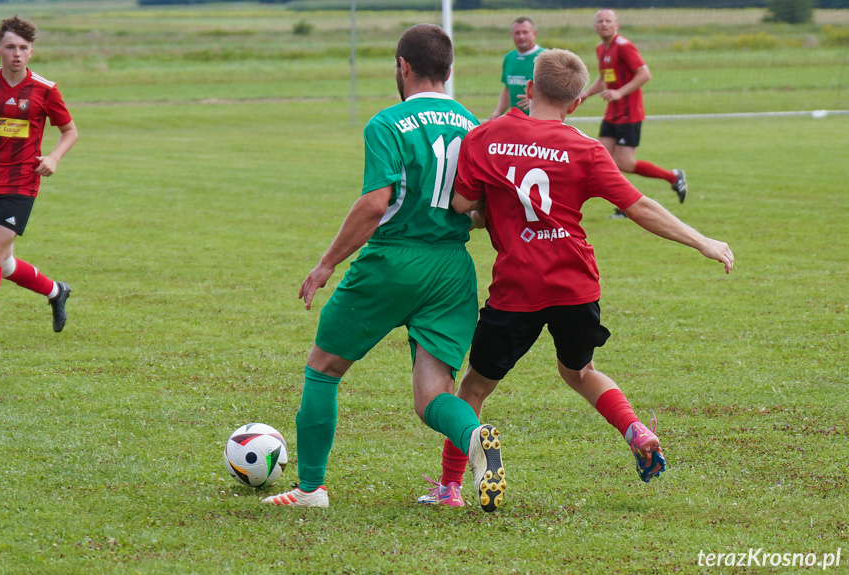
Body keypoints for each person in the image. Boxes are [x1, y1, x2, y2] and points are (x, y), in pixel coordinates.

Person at [417, 49, 734, 508]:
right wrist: (702, 240)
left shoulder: (487, 137)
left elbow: (464, 206)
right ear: (577, 102)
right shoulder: (587, 149)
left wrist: (496, 208)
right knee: (578, 370)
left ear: (528, 89)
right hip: (575, 283)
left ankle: (449, 488)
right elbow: (639, 206)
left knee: (472, 389)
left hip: (518, 288)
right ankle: (634, 428)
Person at [262, 24, 506, 512]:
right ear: (450, 70)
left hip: (394, 259)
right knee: (432, 395)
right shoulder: (475, 125)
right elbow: (480, 209)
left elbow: (376, 203)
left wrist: (327, 263)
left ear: (403, 66)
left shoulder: (387, 123)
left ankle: (310, 489)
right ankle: (474, 435)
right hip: (452, 268)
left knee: (324, 368)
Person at [0, 15, 78, 331]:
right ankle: (56, 291)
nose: (17, 53)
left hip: (21, 183)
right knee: (3, 262)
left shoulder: (45, 90)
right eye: (10, 46)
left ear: (31, 53)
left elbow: (70, 131)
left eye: (23, 47)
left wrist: (53, 157)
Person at [579, 9, 686, 218]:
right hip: (612, 114)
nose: (603, 24)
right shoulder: (601, 48)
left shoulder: (624, 47)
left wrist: (620, 91)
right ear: (595, 26)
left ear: (616, 25)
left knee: (624, 164)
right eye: (600, 21)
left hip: (630, 114)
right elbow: (604, 78)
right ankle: (623, 207)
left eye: (608, 21)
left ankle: (673, 177)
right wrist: (586, 94)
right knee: (603, 160)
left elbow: (645, 74)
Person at [488, 17, 544, 121]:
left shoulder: (545, 57)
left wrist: (537, 100)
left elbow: (556, 91)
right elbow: (508, 88)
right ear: (511, 35)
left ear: (534, 33)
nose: (521, 36)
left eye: (525, 32)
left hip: (540, 121)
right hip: (516, 121)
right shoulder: (509, 58)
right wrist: (498, 112)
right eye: (517, 33)